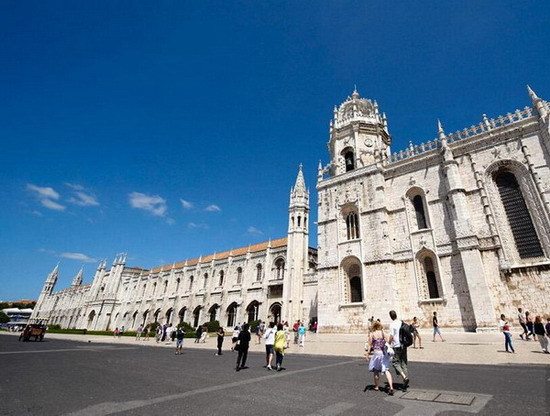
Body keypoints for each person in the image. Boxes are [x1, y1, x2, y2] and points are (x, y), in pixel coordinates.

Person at [366, 320, 394, 395]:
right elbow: (388, 340)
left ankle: (376, 386)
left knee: (376, 370)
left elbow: (369, 344)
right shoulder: (382, 332)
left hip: (376, 353)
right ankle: (391, 387)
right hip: (383, 353)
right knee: (386, 370)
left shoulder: (372, 334)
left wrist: (368, 353)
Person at [389, 310, 409, 391]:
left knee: (395, 362)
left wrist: (388, 344)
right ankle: (405, 382)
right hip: (403, 345)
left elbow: (391, 336)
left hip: (396, 346)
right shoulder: (401, 322)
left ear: (391, 317)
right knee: (403, 363)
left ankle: (404, 377)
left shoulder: (392, 324)